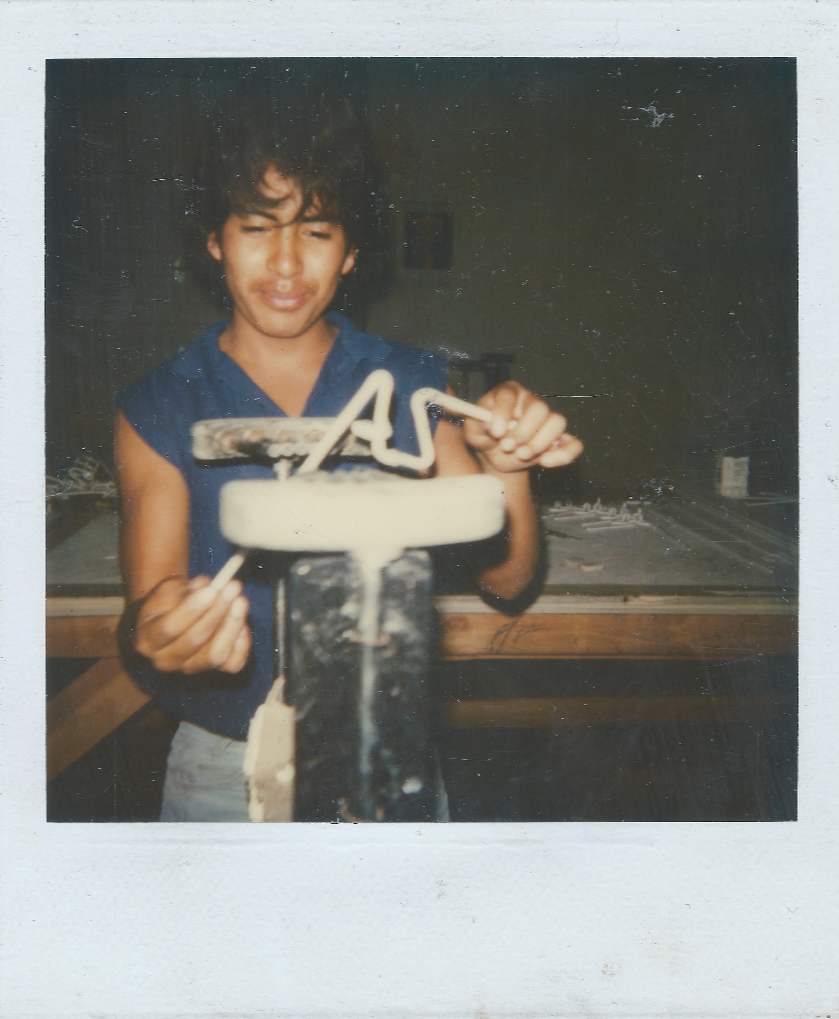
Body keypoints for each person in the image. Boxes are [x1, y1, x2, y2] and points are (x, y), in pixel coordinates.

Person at [115, 100, 583, 821]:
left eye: (317, 230)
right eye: (255, 227)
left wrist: (508, 465)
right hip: (226, 762)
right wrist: (158, 633)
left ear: (351, 253)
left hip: (387, 752)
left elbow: (507, 580)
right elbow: (149, 606)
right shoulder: (164, 404)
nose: (285, 262)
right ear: (213, 240)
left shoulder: (407, 384)